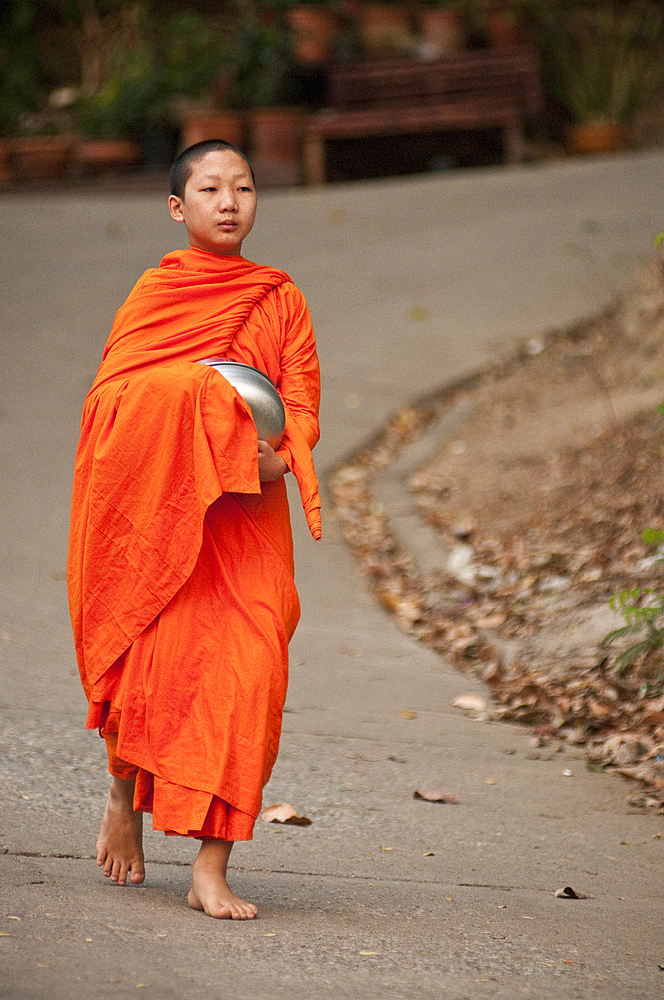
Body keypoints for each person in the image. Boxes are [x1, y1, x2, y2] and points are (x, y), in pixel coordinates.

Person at [67, 140, 321, 920]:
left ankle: (213, 866)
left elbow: (301, 402)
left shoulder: (280, 297)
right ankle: (123, 797)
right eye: (209, 189)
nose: (229, 202)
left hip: (245, 517)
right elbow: (112, 406)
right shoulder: (155, 294)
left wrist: (285, 454)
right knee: (153, 668)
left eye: (243, 187)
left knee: (250, 676)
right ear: (178, 208)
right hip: (165, 519)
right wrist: (204, 411)